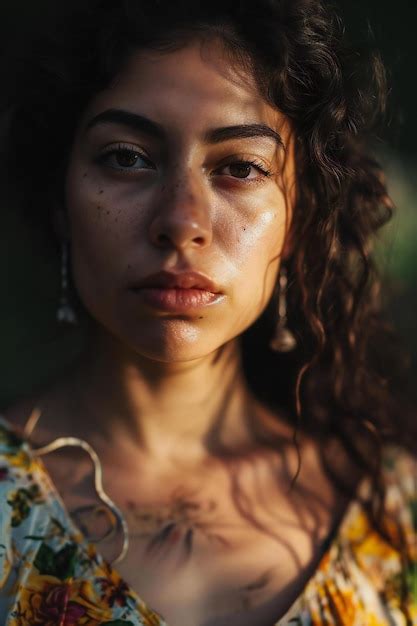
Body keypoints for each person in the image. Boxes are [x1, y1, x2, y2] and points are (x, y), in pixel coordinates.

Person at [0, 0, 416, 624]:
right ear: (60, 201)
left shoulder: (397, 512)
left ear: (299, 217)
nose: (181, 223)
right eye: (126, 157)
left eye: (241, 168)